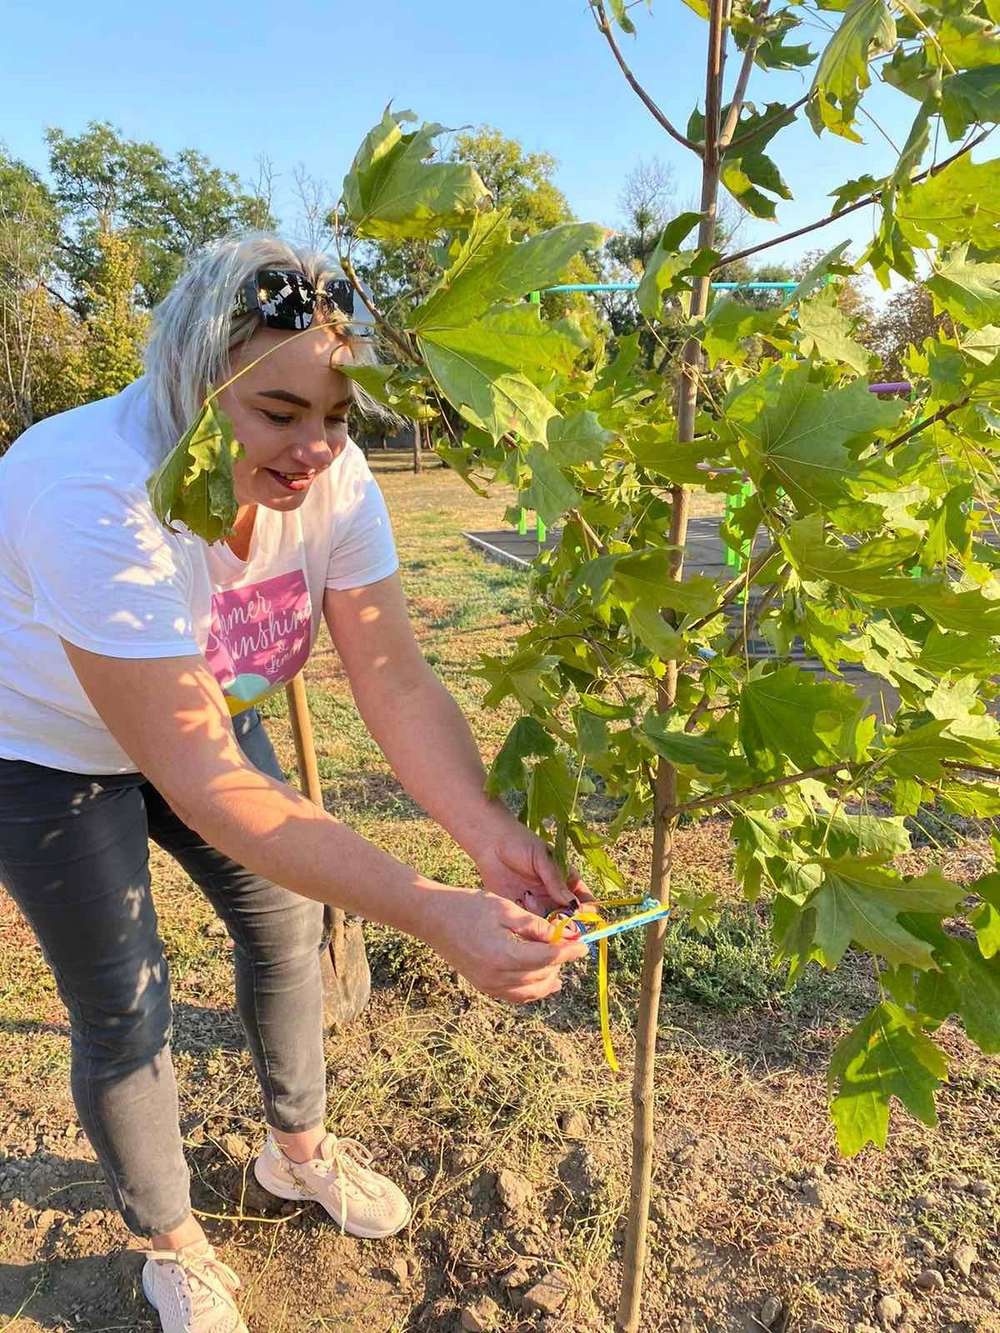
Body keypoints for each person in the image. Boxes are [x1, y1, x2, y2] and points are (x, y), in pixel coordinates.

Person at [0, 234, 589, 1333]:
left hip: (207, 713)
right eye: (279, 414)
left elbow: (397, 681)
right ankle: (170, 1239)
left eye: (338, 415)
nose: (316, 448)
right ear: (194, 381)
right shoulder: (90, 492)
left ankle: (297, 1152)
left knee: (286, 922)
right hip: (45, 751)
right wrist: (426, 910)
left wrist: (482, 833)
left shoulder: (336, 477)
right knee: (124, 1000)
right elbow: (207, 781)